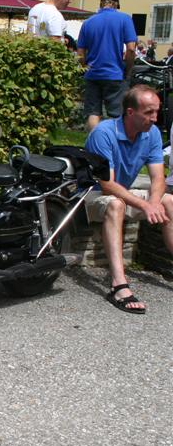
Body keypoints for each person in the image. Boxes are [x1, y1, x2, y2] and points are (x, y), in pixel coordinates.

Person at [84, 84, 173, 314]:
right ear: (131, 112)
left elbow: (157, 178)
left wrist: (153, 203)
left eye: (157, 112)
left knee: (169, 201)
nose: (155, 118)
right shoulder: (104, 133)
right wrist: (145, 204)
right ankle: (119, 285)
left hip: (122, 192)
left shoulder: (151, 133)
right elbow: (107, 184)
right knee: (116, 203)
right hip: (91, 195)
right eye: (149, 113)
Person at [77, 0, 137, 131]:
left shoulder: (88, 22)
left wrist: (84, 67)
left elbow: (80, 53)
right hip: (115, 73)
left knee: (93, 113)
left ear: (101, 4)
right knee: (117, 115)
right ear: (116, 4)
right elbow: (131, 49)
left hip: (92, 74)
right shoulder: (125, 19)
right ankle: (116, 146)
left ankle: (95, 146)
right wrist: (127, 69)